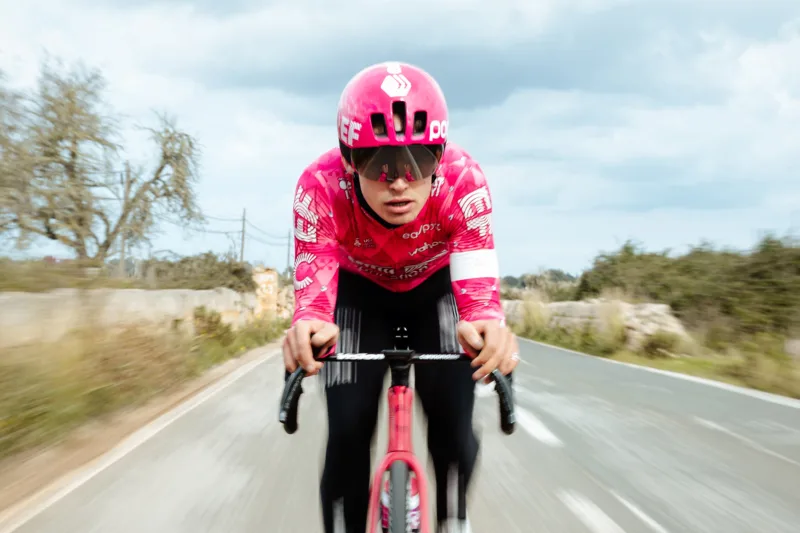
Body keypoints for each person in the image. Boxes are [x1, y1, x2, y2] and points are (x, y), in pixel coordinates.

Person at [282, 60, 520, 533]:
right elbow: (314, 295)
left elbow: (478, 299)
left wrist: (491, 330)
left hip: (434, 291)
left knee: (453, 428)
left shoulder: (464, 181)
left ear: (440, 154)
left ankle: (455, 517)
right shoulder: (319, 187)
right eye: (378, 162)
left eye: (419, 161)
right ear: (348, 159)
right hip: (358, 294)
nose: (398, 181)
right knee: (348, 430)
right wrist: (307, 327)